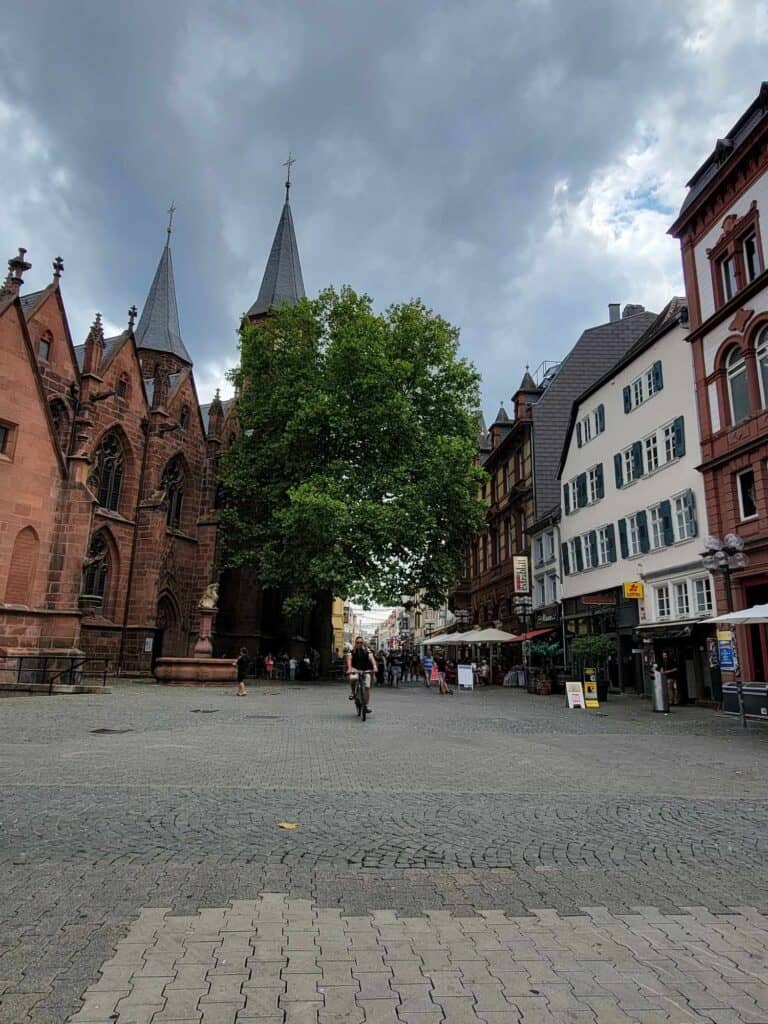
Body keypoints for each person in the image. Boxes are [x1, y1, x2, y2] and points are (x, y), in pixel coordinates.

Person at [346, 635, 377, 713]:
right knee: (352, 678)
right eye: (358, 642)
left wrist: (374, 666)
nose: (359, 644)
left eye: (361, 642)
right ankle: (353, 692)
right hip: (355, 669)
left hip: (365, 670)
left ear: (363, 643)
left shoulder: (367, 650)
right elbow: (349, 659)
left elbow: (371, 658)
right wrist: (349, 668)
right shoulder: (352, 651)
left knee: (367, 687)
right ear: (355, 643)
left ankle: (365, 705)